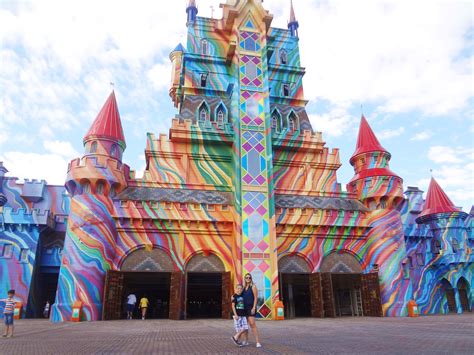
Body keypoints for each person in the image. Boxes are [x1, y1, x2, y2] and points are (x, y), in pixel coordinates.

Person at [241, 273, 261, 348]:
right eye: (246, 277)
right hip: (243, 308)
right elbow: (239, 294)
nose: (248, 279)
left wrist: (254, 307)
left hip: (250, 308)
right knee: (245, 325)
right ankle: (246, 341)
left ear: (251, 278)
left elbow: (256, 298)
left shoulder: (253, 286)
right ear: (245, 278)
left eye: (249, 277)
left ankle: (257, 342)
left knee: (252, 324)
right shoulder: (243, 287)